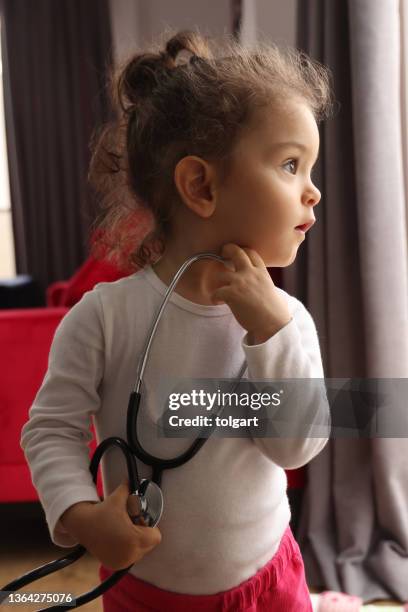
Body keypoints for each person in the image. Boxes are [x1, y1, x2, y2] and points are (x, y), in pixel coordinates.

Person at [20, 28, 335, 611]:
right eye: (291, 164)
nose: (313, 192)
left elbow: (296, 446)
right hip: (149, 595)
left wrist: (272, 333)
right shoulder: (105, 318)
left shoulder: (286, 320)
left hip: (269, 584)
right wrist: (82, 515)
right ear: (201, 186)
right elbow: (52, 429)